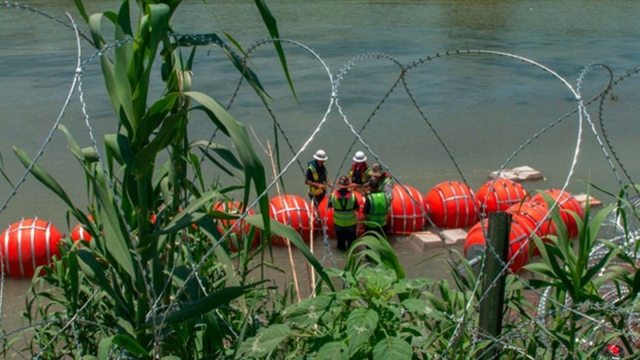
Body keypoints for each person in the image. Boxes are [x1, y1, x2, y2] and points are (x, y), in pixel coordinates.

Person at [329, 175, 360, 250]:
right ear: (348, 185)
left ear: (339, 185)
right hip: (350, 224)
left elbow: (329, 206)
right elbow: (357, 209)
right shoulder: (353, 196)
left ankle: (340, 259)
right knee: (352, 245)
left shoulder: (333, 196)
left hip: (339, 224)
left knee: (340, 244)